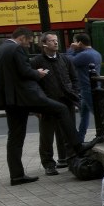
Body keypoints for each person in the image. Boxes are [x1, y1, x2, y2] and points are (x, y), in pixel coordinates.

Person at [0, 28, 70, 186]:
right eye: (28, 41)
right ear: (21, 38)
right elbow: (24, 72)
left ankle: (17, 175)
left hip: (8, 100)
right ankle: (76, 149)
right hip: (20, 99)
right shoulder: (16, 48)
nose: (28, 45)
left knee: (14, 138)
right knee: (61, 109)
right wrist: (37, 73)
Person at [30, 32, 80, 175]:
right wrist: (37, 106)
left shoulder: (65, 59)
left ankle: (70, 159)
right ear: (44, 44)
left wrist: (74, 93)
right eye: (52, 41)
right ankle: (48, 164)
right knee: (47, 135)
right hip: (47, 103)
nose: (56, 43)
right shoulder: (36, 62)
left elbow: (74, 78)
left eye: (56, 40)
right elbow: (33, 85)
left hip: (66, 101)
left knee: (69, 132)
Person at [67, 33, 103, 148]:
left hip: (87, 88)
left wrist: (72, 49)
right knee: (84, 114)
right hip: (92, 87)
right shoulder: (96, 53)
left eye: (75, 42)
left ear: (80, 43)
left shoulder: (85, 55)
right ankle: (80, 138)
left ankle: (102, 133)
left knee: (96, 114)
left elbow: (68, 61)